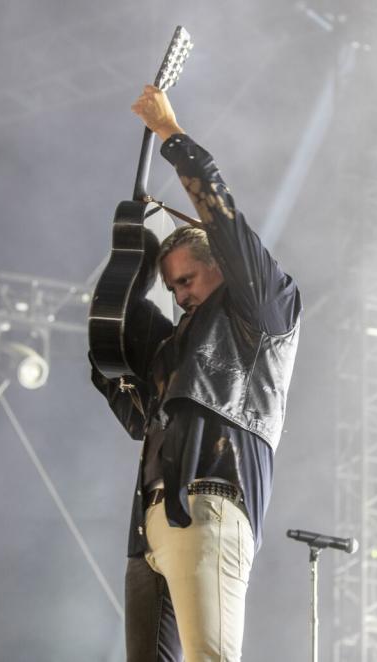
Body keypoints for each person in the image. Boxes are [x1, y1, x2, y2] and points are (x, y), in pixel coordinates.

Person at [90, 84, 301, 662]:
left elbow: (228, 225)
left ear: (219, 269)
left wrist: (172, 136)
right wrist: (131, 252)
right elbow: (116, 365)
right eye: (173, 286)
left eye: (188, 281)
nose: (180, 296)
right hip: (152, 526)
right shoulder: (174, 350)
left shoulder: (260, 311)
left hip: (209, 502)